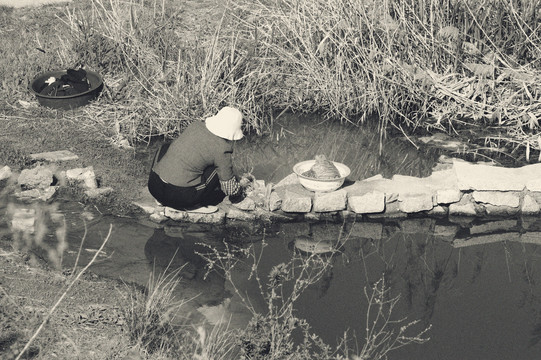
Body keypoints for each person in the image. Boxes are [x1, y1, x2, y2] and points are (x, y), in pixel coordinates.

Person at [148, 106, 246, 213]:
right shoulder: (223, 149)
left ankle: (161, 199)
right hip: (180, 197)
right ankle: (192, 206)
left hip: (154, 186)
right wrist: (241, 188)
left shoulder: (195, 125)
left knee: (165, 147)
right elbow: (230, 190)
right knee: (217, 171)